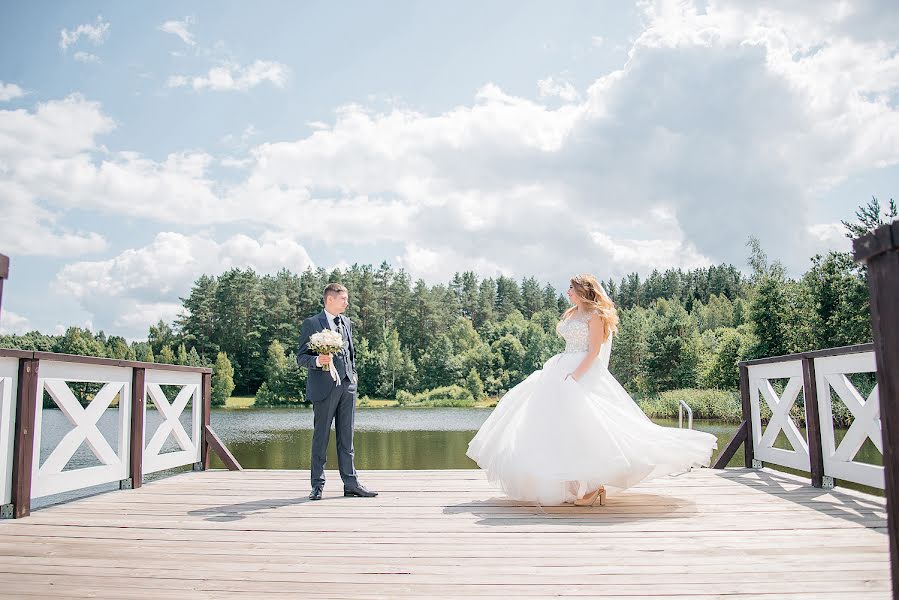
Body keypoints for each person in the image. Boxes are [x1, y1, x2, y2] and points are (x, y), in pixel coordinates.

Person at [467, 273, 717, 506]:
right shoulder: (572, 313)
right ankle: (575, 484)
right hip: (560, 368)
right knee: (558, 429)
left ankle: (593, 485)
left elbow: (594, 351)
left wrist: (575, 376)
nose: (567, 292)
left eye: (571, 289)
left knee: (588, 428)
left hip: (580, 371)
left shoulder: (595, 315)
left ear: (582, 291)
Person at [297, 283, 377, 501]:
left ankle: (351, 483)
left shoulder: (347, 322)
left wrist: (353, 377)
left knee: (347, 437)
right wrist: (316, 360)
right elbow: (301, 357)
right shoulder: (312, 323)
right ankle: (317, 485)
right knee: (320, 438)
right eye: (344, 299)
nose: (347, 302)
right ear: (330, 300)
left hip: (347, 387)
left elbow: (351, 353)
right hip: (324, 388)